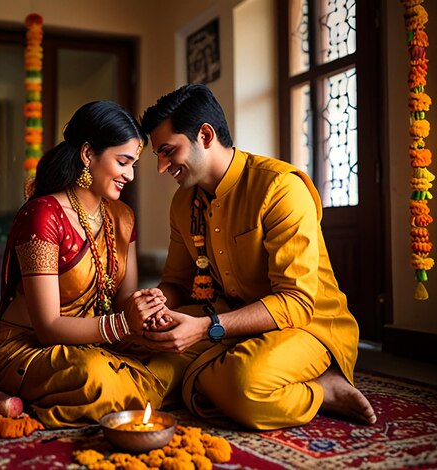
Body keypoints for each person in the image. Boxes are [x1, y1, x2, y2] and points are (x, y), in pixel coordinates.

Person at [131, 84, 376, 430]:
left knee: (244, 385)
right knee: (141, 358)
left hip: (306, 325)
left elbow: (296, 302)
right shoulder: (183, 204)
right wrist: (158, 303)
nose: (161, 167)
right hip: (228, 320)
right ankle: (210, 377)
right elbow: (176, 282)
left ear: (204, 135)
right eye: (158, 155)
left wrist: (205, 328)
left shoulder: (279, 188)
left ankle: (322, 389)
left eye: (168, 151)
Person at [0, 101, 178, 428]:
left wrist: (147, 309)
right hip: (30, 347)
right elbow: (48, 328)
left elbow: (121, 305)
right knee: (95, 377)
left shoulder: (123, 217)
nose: (129, 175)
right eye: (122, 162)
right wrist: (123, 325)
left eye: (134, 164)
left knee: (177, 359)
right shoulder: (44, 216)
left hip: (96, 341)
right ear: (88, 155)